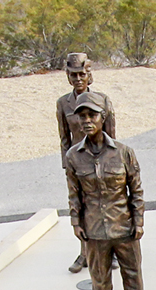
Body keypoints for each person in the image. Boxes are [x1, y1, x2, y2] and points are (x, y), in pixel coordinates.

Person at [63, 92, 156, 290]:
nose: (86, 121)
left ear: (103, 118)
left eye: (92, 115)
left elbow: (136, 191)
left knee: (133, 274)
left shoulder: (124, 153)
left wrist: (139, 221)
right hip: (94, 229)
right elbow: (74, 195)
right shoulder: (73, 156)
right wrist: (76, 223)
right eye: (81, 116)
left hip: (124, 226)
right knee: (100, 279)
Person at [57, 53, 117, 273]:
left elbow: (112, 135)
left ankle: (111, 250)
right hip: (78, 163)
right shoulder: (63, 103)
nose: (78, 78)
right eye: (73, 75)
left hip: (102, 161)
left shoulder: (102, 100)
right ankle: (85, 252)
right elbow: (64, 138)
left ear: (89, 74)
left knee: (107, 203)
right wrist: (67, 166)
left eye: (82, 74)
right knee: (80, 207)